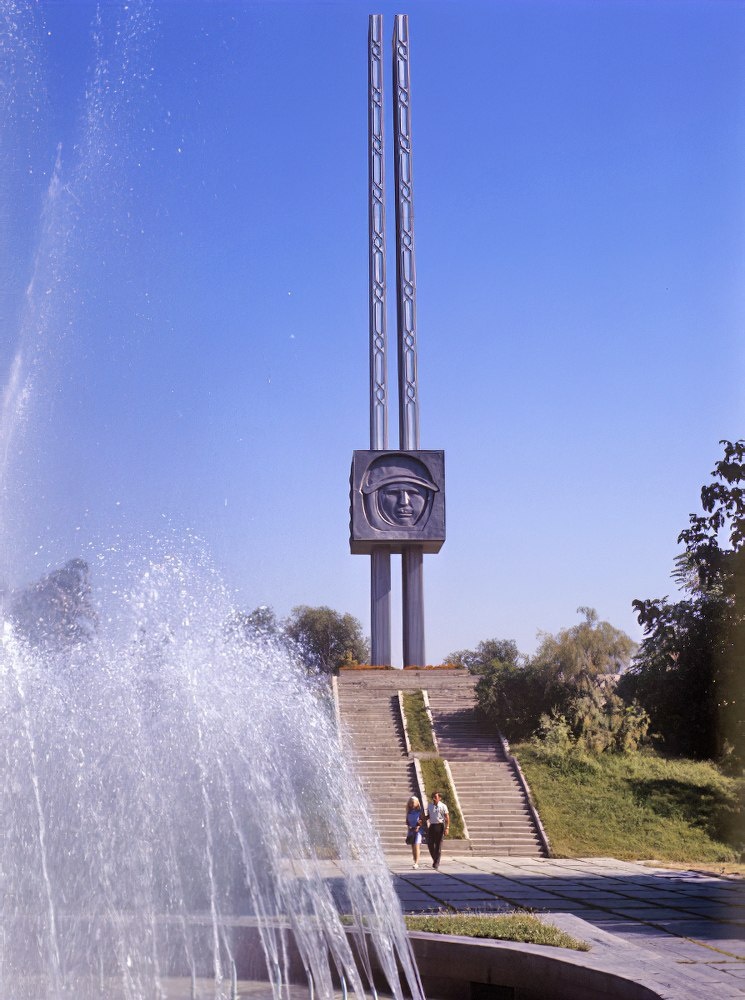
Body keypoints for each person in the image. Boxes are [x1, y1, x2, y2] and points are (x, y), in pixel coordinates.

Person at [426, 790, 449, 869]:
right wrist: (423, 819)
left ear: (439, 798)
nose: (434, 798)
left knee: (438, 846)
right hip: (432, 826)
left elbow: (447, 818)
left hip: (440, 826)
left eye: (435, 797)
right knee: (430, 844)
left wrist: (447, 828)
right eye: (433, 797)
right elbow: (429, 816)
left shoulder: (443, 806)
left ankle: (436, 862)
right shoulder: (430, 806)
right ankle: (435, 859)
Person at [405, 796, 425, 869]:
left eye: (413, 802)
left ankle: (416, 862)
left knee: (417, 845)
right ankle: (415, 860)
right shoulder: (409, 811)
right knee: (413, 847)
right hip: (411, 830)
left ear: (417, 803)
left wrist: (418, 827)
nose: (412, 804)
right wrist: (409, 827)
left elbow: (422, 820)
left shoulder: (420, 811)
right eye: (411, 802)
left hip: (418, 830)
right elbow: (407, 821)